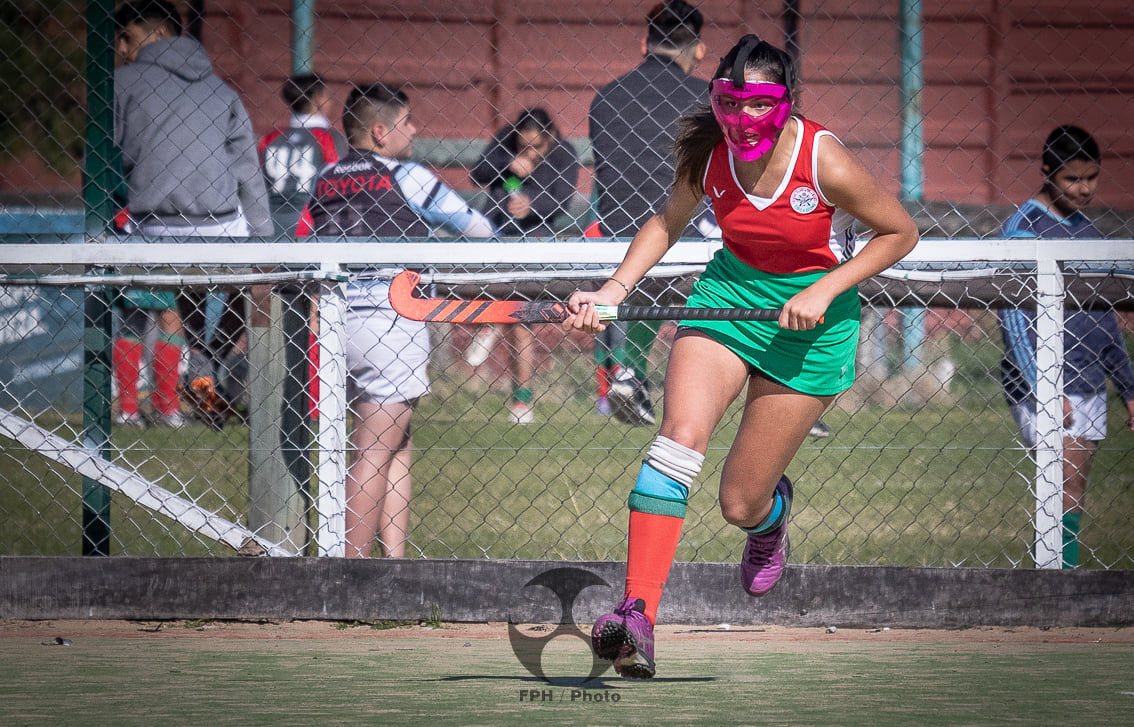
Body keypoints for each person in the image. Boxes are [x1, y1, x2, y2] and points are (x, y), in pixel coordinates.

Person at [563, 35, 918, 678]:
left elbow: (900, 232)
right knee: (677, 441)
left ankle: (771, 516)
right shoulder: (708, 151)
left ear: (784, 102)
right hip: (727, 303)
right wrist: (614, 290)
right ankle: (638, 613)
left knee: (739, 504)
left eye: (758, 105)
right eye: (729, 102)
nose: (742, 119)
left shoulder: (823, 159)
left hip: (813, 328)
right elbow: (667, 221)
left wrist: (824, 286)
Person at [297, 82, 492, 557]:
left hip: (338, 319)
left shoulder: (326, 177)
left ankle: (395, 561)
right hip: (393, 317)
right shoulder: (411, 176)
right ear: (380, 131)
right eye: (407, 122)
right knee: (373, 453)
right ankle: (353, 573)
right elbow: (479, 228)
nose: (415, 130)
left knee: (394, 442)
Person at [111, 0, 272, 428]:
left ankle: (133, 409)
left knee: (139, 313)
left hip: (155, 224)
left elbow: (111, 156)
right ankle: (199, 384)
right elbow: (248, 174)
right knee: (249, 300)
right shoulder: (222, 91)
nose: (120, 47)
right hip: (223, 227)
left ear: (152, 34)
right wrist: (265, 244)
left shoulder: (121, 83)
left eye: (124, 36)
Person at [997, 125, 1134, 569]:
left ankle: (1062, 571)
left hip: (1092, 381)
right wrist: (1045, 389)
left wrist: (1128, 388)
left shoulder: (1087, 231)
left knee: (1075, 487)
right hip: (1049, 386)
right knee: (1060, 481)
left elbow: (1105, 323)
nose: (1084, 188)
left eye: (1091, 178)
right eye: (1072, 179)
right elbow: (1013, 317)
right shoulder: (1024, 229)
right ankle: (1055, 578)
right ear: (1046, 171)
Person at [588, 0, 708, 427]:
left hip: (619, 232)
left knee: (652, 284)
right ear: (698, 50)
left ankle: (630, 373)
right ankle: (787, 379)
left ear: (645, 43)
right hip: (690, 229)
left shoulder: (606, 98)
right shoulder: (707, 98)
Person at [468, 107, 581, 424]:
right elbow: (477, 173)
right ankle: (489, 321)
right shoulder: (507, 140)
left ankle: (521, 400)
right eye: (523, 146)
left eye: (536, 148)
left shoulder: (564, 153)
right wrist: (507, 164)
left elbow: (563, 200)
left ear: (551, 139)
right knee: (507, 308)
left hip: (535, 239)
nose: (529, 153)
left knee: (520, 318)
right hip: (496, 233)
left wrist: (532, 205)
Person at [260, 73, 349, 237]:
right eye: (327, 95)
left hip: (269, 221)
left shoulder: (271, 138)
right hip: (309, 223)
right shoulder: (328, 137)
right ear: (318, 98)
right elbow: (340, 181)